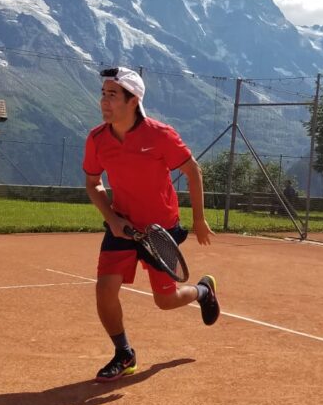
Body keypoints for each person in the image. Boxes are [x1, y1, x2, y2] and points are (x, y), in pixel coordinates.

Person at [83, 66, 220, 383]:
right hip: (123, 227)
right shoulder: (97, 139)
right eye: (103, 94)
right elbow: (93, 183)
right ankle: (124, 353)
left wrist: (199, 219)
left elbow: (192, 171)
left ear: (133, 101)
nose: (104, 101)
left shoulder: (160, 135)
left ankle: (202, 291)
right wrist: (113, 219)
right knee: (105, 290)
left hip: (161, 231)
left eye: (113, 95)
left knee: (166, 301)